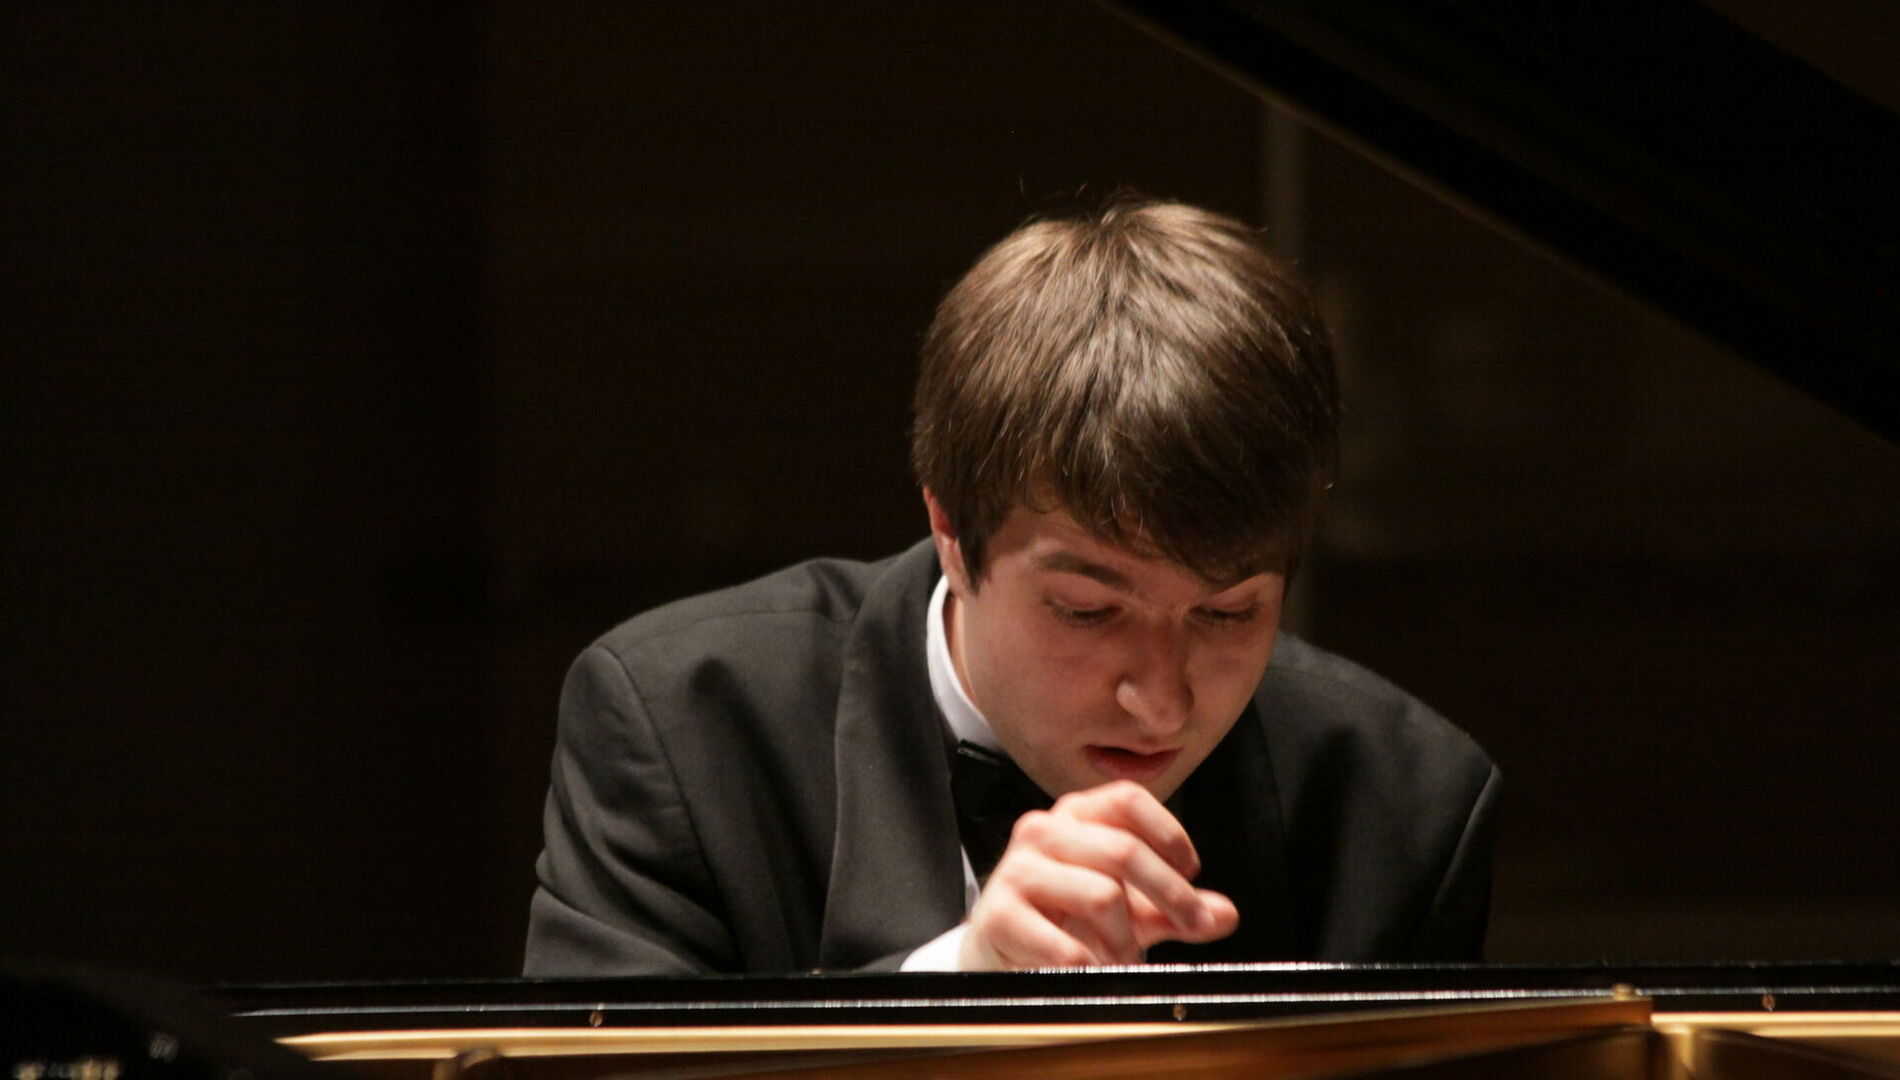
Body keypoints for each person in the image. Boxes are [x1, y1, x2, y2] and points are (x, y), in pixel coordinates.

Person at [524, 198, 1498, 976]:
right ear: (951, 532)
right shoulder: (684, 729)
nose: (1161, 704)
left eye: (1227, 612)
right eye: (1087, 610)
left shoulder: (1405, 806)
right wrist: (963, 980)